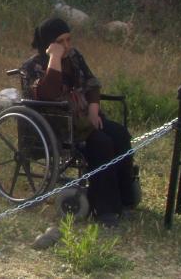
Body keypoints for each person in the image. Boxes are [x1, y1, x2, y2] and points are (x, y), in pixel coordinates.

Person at [21, 17, 138, 227]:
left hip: (83, 118)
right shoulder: (34, 67)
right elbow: (48, 94)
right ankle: (105, 210)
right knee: (101, 143)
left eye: (68, 40)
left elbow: (91, 82)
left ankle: (125, 198)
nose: (67, 46)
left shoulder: (75, 57)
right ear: (50, 43)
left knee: (119, 134)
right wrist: (54, 59)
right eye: (61, 41)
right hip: (61, 126)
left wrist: (94, 108)